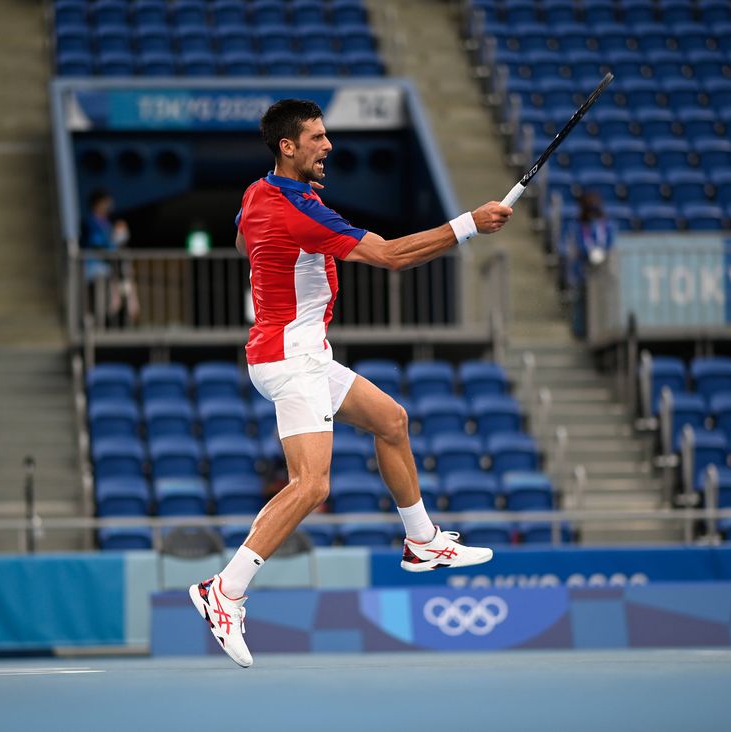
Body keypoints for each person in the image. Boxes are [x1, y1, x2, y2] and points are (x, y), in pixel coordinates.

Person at [189, 99, 513, 668]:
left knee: (391, 421)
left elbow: (245, 242)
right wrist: (469, 225)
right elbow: (389, 255)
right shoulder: (299, 211)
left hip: (299, 351)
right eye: (316, 137)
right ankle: (226, 590)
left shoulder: (257, 193)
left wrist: (279, 266)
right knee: (311, 486)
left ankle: (422, 541)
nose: (328, 145)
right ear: (288, 147)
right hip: (293, 358)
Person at [82, 189, 139, 327]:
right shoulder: (91, 222)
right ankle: (96, 328)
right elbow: (97, 244)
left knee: (109, 301)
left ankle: (104, 326)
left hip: (107, 269)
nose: (109, 206)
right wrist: (111, 250)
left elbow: (112, 243)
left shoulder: (106, 222)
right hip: (94, 269)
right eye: (106, 203)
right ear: (98, 204)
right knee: (97, 301)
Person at [562, 192, 615, 340]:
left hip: (603, 272)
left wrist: (602, 253)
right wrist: (589, 253)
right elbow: (578, 245)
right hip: (583, 271)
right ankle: (580, 333)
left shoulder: (606, 225)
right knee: (581, 302)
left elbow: (610, 244)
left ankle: (601, 332)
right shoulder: (578, 226)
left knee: (602, 303)